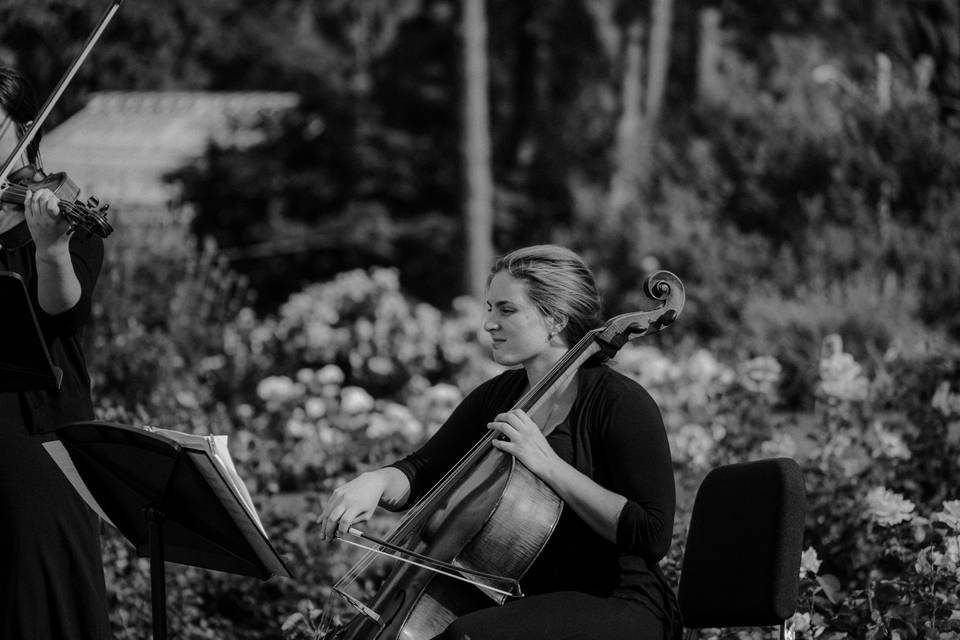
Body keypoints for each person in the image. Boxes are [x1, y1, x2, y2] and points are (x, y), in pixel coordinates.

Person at [318, 244, 681, 640]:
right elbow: (422, 472)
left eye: (506, 310)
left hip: (617, 602)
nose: (488, 323)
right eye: (489, 307)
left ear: (555, 319)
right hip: (522, 602)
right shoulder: (497, 397)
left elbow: (652, 534)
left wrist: (548, 464)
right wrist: (375, 481)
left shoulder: (618, 401)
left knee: (468, 637)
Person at [0, 67, 111, 639]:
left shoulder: (62, 217)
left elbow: (63, 316)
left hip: (36, 430)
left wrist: (49, 251)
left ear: (24, 129)